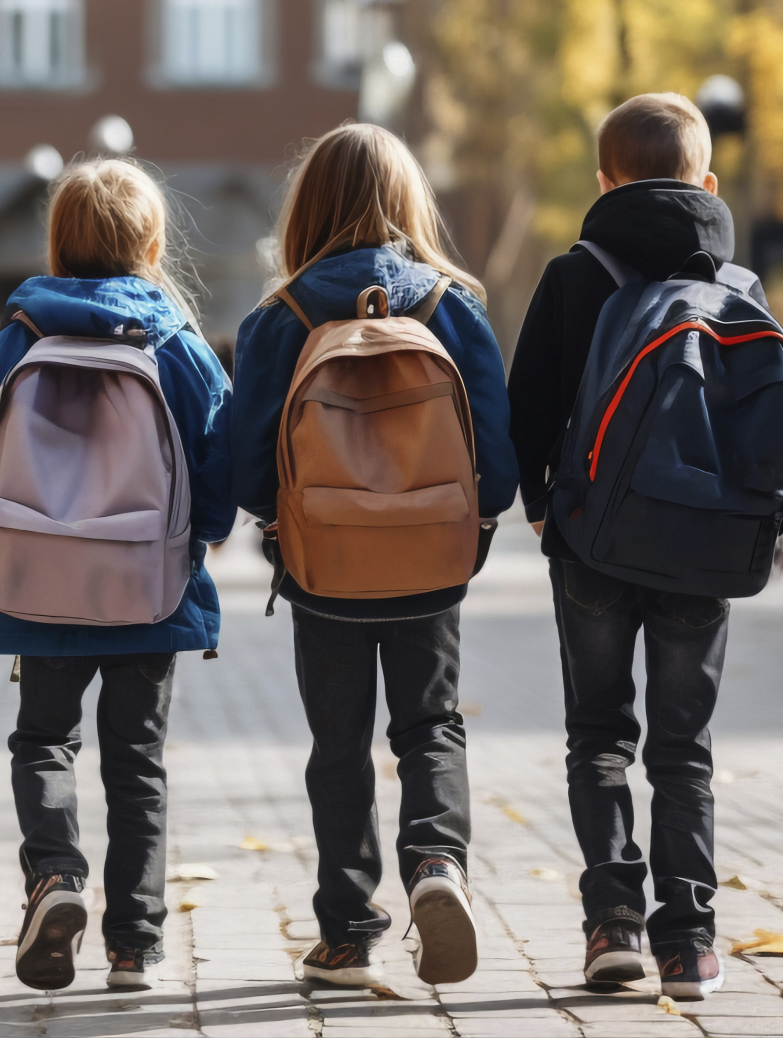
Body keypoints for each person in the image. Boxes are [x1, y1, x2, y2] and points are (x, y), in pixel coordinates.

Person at [229, 123, 518, 989]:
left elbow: (247, 468)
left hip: (323, 565)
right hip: (431, 560)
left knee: (339, 741)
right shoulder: (450, 306)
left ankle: (347, 931)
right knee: (431, 724)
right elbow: (496, 459)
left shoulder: (279, 319)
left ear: (307, 206)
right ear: (407, 202)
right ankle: (437, 863)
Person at [0, 159, 234, 993]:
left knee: (43, 740)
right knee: (137, 759)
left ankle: (55, 877)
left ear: (57, 243)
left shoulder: (15, 339)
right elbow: (215, 468)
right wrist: (198, 538)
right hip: (149, 584)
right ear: (152, 244)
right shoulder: (174, 342)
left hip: (39, 581)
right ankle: (135, 945)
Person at [505, 91, 767, 1002]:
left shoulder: (575, 274)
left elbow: (525, 408)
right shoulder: (739, 289)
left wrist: (542, 506)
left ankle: (611, 924)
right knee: (683, 747)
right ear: (708, 181)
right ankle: (690, 943)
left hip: (594, 543)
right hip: (703, 547)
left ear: (605, 180)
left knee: (599, 736)